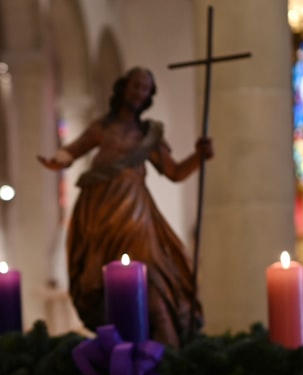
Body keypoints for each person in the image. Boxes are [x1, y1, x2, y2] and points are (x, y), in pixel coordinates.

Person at [38, 66, 213, 347]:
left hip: (134, 211)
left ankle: (168, 346)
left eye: (145, 88)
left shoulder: (149, 136)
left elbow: (175, 172)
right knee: (108, 281)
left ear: (148, 96)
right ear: (123, 88)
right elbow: (74, 149)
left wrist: (198, 156)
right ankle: (121, 351)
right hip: (98, 211)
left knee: (151, 273)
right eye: (135, 86)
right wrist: (56, 161)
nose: (138, 92)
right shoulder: (102, 128)